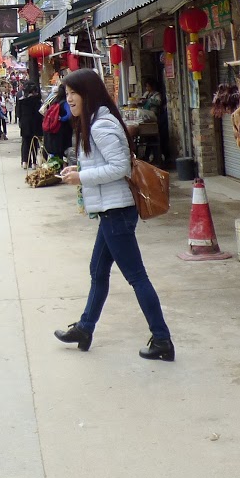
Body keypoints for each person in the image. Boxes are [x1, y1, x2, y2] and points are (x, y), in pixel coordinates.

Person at [52, 68, 174, 361]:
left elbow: (120, 167)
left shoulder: (100, 125)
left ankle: (162, 339)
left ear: (88, 93)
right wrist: (80, 169)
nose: (69, 99)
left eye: (74, 93)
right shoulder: (97, 120)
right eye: (67, 94)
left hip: (116, 212)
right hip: (110, 211)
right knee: (98, 271)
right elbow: (107, 163)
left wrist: (82, 177)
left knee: (136, 277)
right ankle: (85, 328)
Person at [17, 81, 44, 169]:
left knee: (25, 142)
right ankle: (34, 163)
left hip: (25, 124)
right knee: (34, 143)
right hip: (35, 124)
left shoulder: (21, 101)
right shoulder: (37, 101)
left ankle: (25, 161)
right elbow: (40, 114)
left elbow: (18, 113)